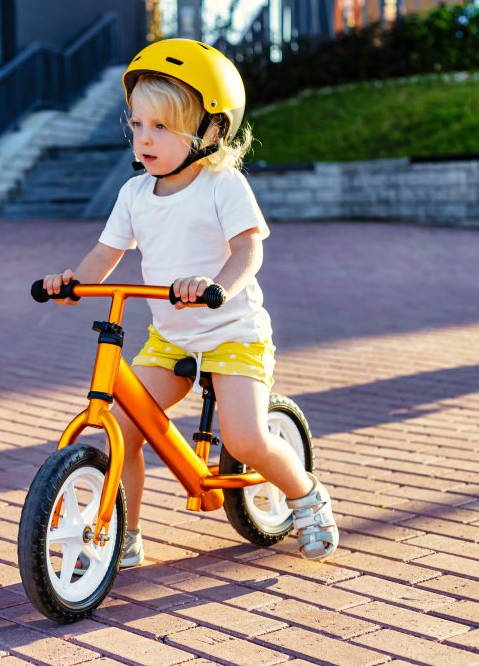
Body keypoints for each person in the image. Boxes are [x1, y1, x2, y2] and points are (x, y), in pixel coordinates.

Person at [42, 39, 339, 564]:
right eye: (136, 125)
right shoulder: (134, 194)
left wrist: (214, 282)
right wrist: (73, 284)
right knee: (125, 434)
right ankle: (121, 536)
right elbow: (105, 252)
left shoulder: (222, 184)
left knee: (245, 440)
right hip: (172, 337)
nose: (144, 139)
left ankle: (306, 496)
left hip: (233, 333)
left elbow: (249, 249)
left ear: (211, 131)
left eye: (161, 127)